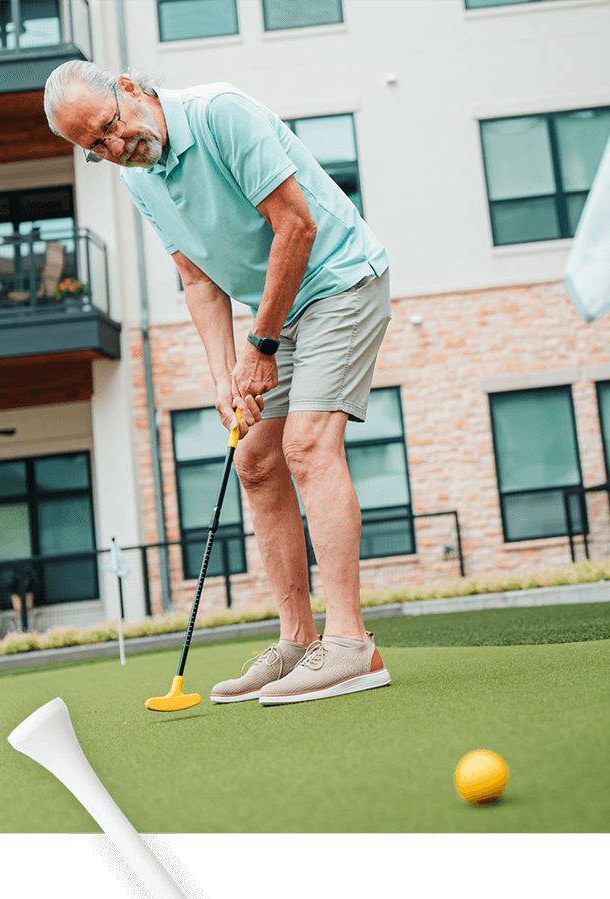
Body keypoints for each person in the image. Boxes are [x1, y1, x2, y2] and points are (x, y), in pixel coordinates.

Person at [44, 61, 392, 706]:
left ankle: (351, 644)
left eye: (109, 127)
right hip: (276, 312)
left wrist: (259, 347)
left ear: (129, 88)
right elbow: (198, 279)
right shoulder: (140, 178)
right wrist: (225, 376)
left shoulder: (220, 114)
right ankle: (298, 641)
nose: (114, 147)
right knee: (256, 462)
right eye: (94, 148)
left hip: (338, 284)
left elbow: (297, 226)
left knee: (307, 446)